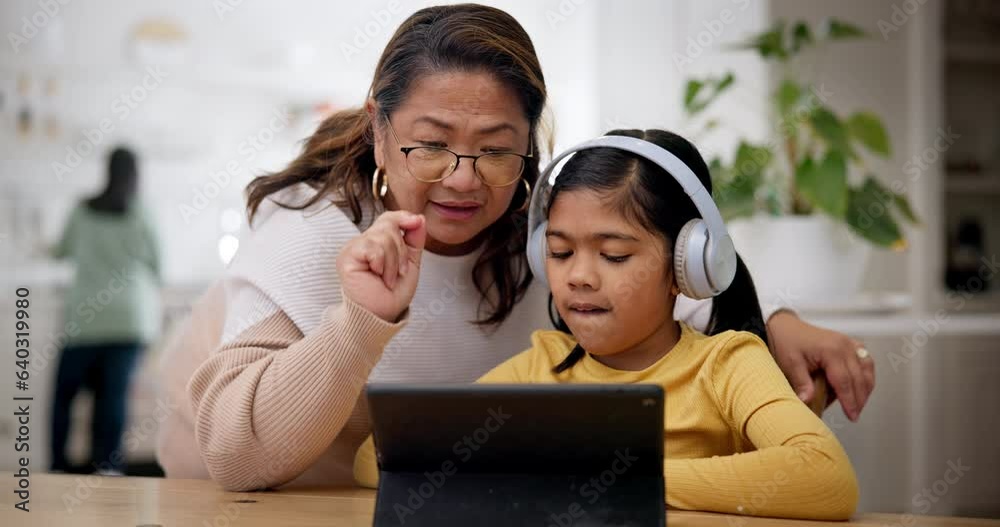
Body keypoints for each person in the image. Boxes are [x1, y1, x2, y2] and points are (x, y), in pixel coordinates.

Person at [156, 4, 874, 492]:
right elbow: (235, 453)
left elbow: (646, 273)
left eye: (497, 150)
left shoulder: (544, 236)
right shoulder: (312, 226)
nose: (464, 180)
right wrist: (358, 323)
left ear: (530, 145)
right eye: (430, 144)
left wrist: (772, 318)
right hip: (256, 498)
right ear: (378, 128)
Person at [354, 130, 859, 520]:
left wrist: (610, 479)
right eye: (559, 252)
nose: (578, 277)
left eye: (614, 255)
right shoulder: (541, 368)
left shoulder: (728, 365)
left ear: (687, 266)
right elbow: (380, 460)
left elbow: (826, 477)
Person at [50, 146, 162, 475]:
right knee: (112, 399)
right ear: (136, 174)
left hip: (86, 320)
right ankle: (108, 470)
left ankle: (57, 467)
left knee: (64, 398)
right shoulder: (142, 211)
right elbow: (159, 264)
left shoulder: (82, 210)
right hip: (129, 319)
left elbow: (61, 251)